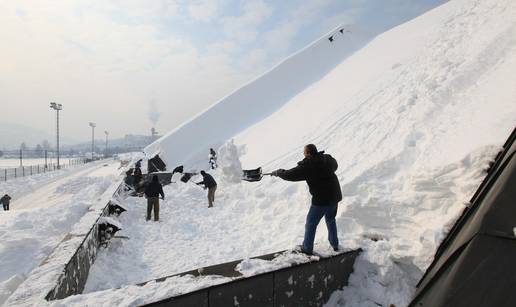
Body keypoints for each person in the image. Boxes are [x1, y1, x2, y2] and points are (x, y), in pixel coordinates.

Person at [271, 144, 342, 255]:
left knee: (311, 223)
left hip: (321, 200)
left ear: (308, 153)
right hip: (334, 196)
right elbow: (335, 164)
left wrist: (279, 172)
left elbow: (291, 175)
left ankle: (307, 248)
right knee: (330, 219)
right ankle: (335, 244)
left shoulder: (309, 166)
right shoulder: (327, 159)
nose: (303, 154)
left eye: (304, 152)